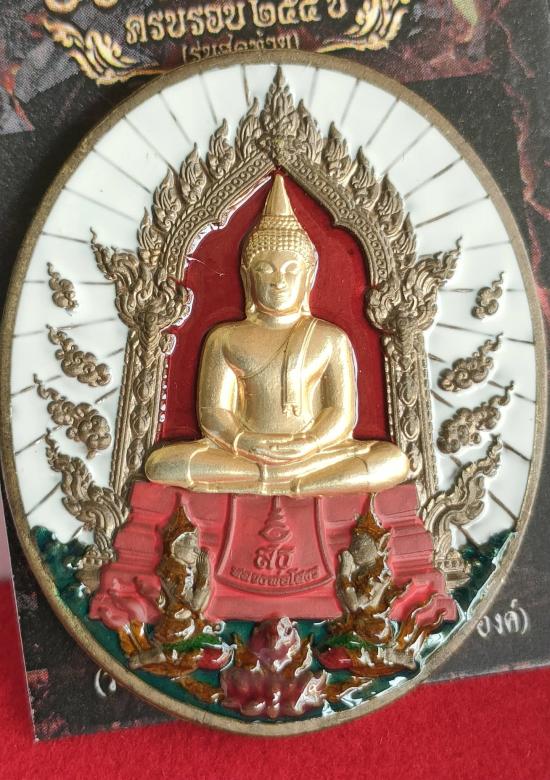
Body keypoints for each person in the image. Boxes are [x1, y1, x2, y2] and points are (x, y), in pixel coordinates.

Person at [146, 175, 409, 496]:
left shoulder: (330, 338)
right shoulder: (225, 338)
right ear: (247, 276)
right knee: (161, 463)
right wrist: (243, 441)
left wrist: (310, 443)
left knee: (393, 460)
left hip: (314, 455)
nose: (279, 281)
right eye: (265, 269)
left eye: (291, 269)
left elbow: (340, 414)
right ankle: (291, 483)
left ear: (308, 276)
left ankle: (284, 482)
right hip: (243, 454)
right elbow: (214, 413)